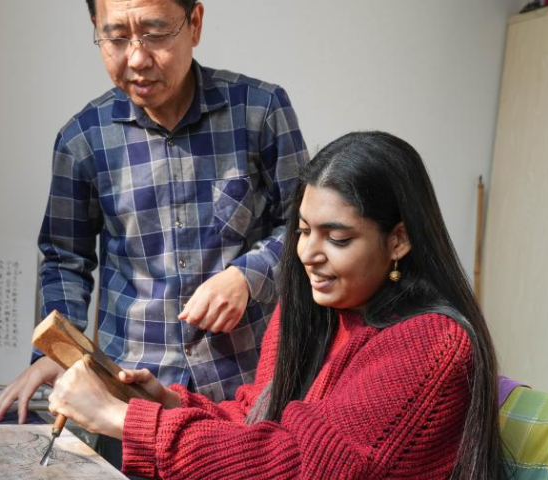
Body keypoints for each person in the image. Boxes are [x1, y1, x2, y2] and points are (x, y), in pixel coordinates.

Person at [47, 131, 508, 480]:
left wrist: (125, 420)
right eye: (304, 231)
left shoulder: (431, 343)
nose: (308, 253)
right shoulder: (312, 310)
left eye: (338, 237)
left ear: (399, 239)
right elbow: (257, 421)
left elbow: (300, 466)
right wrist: (167, 404)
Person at [0, 0, 307, 430]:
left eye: (156, 33)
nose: (136, 58)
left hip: (244, 396)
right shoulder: (83, 139)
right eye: (116, 36)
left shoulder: (261, 111)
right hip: (129, 397)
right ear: (95, 29)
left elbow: (303, 226)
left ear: (194, 24)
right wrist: (56, 350)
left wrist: (246, 277)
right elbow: (66, 260)